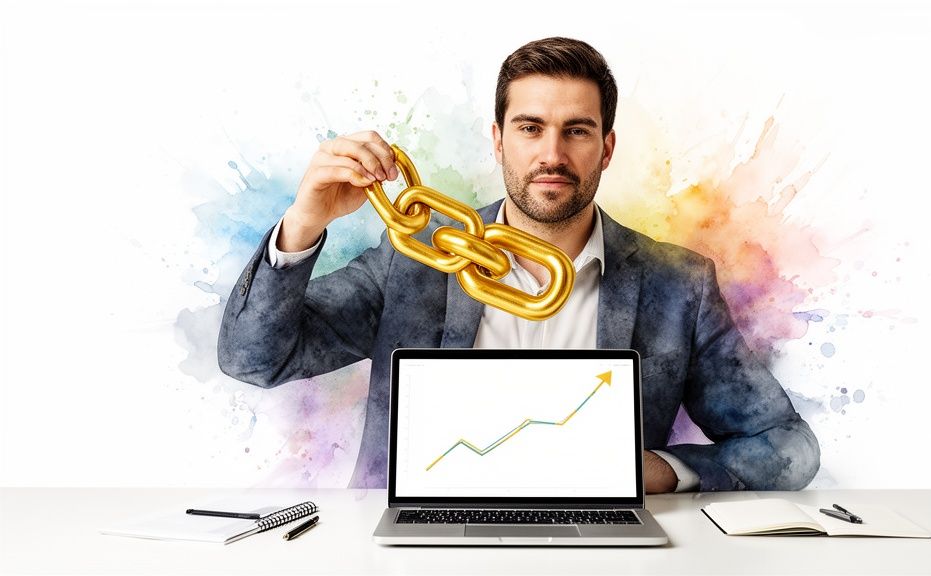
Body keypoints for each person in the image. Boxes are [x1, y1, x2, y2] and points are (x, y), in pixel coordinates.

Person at [218, 37, 820, 492]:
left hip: (601, 547)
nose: (552, 154)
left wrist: (655, 470)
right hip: (413, 546)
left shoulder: (676, 285)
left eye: (577, 131)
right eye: (530, 128)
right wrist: (303, 224)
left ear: (606, 148)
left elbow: (789, 448)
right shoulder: (417, 258)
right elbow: (253, 360)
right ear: (498, 140)